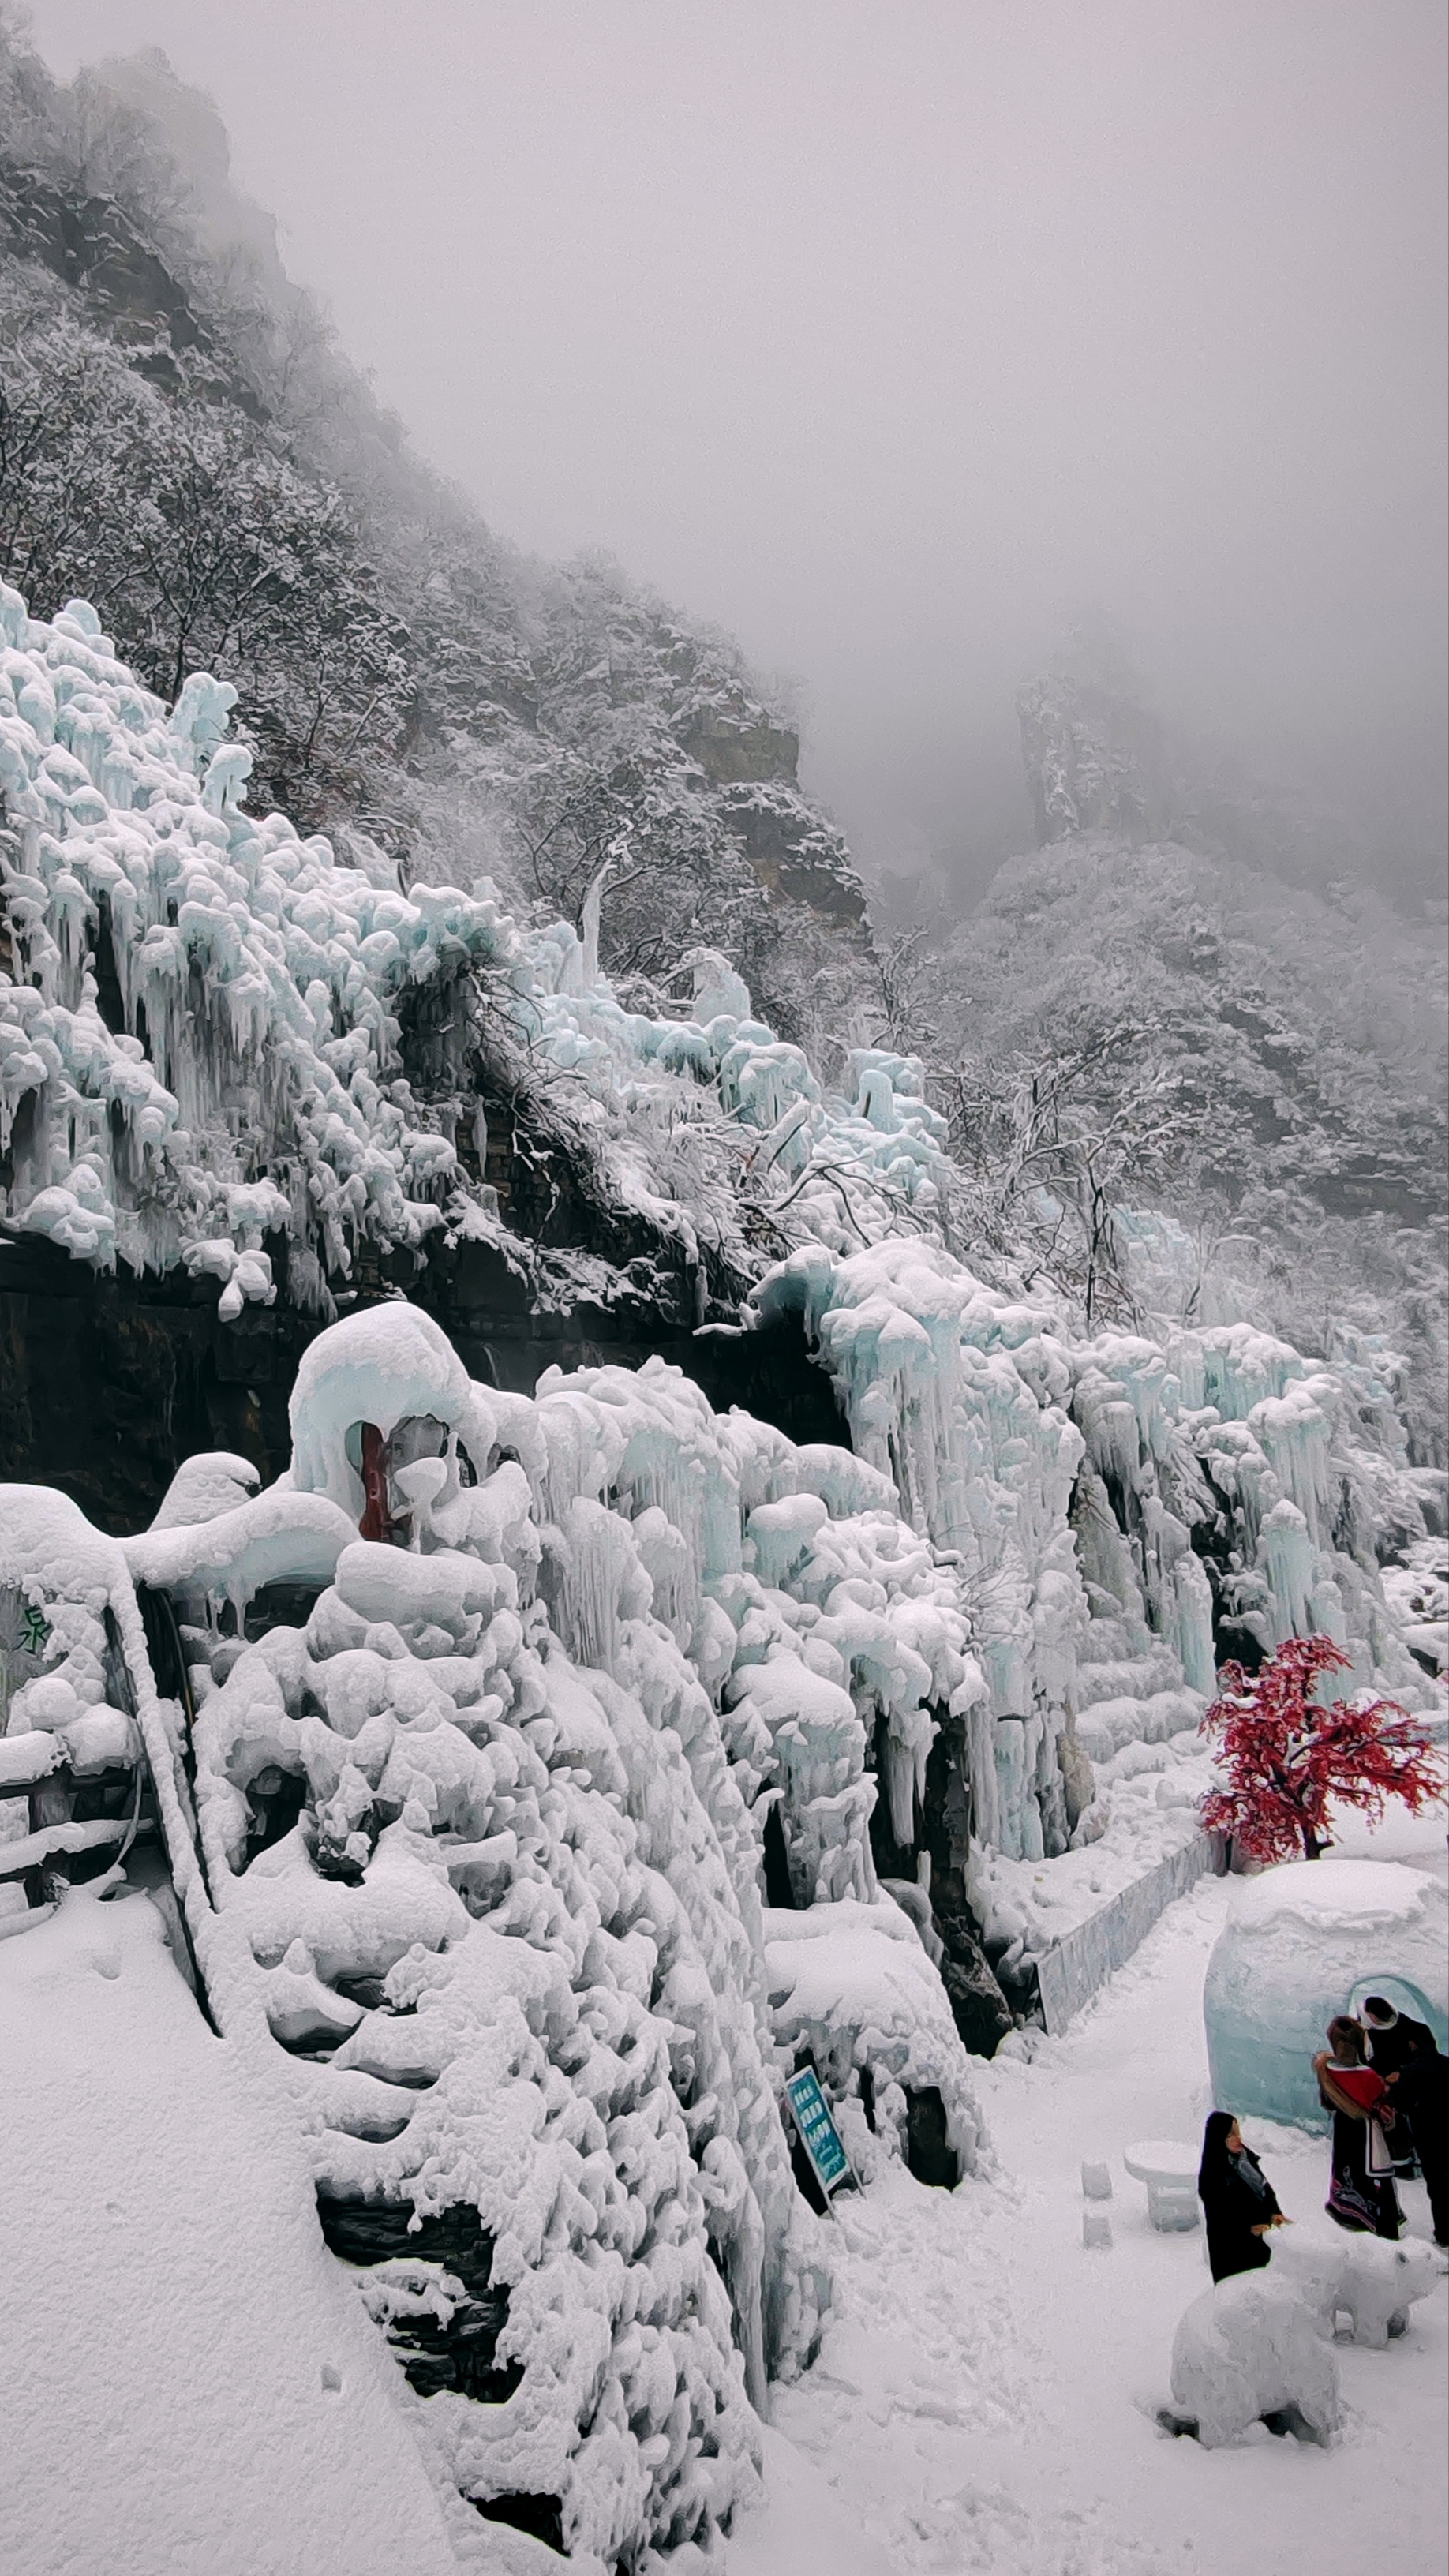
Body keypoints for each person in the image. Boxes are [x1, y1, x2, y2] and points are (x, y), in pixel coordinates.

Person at [1314, 2016, 1402, 2239]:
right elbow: (1380, 2100)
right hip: (1368, 2130)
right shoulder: (1369, 2075)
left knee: (1350, 2172)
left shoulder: (1328, 2073)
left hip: (1345, 2129)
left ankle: (1353, 2215)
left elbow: (1327, 2103)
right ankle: (1384, 2223)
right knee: (1374, 2173)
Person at [1196, 2111, 1288, 2283]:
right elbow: (1222, 2214)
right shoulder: (1212, 2176)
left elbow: (1264, 2189)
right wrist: (1250, 2227)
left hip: (1261, 2240)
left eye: (1238, 2133)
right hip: (1233, 2249)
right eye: (1230, 2134)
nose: (1238, 2138)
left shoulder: (1246, 2161)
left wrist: (1274, 2212)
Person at [1361, 1995, 1432, 2177]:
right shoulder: (1368, 2034)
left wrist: (1402, 2072)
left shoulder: (1416, 2030)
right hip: (1389, 2089)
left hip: (1415, 2086)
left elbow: (1430, 2058)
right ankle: (1403, 2162)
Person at [1391, 2024, 1448, 2249]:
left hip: (1429, 2137)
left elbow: (1399, 2103)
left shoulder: (1411, 2071)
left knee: (1438, 2186)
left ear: (1413, 2044)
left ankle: (1445, 2234)